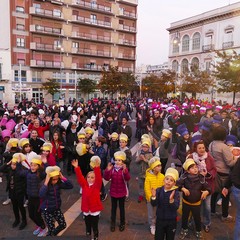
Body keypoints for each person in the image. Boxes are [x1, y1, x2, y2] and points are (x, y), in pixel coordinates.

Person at [177, 158, 211, 240]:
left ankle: (198, 231)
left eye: (196, 167)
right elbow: (177, 185)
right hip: (186, 202)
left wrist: (206, 191)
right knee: (185, 217)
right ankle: (184, 230)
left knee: (197, 218)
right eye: (192, 168)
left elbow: (208, 187)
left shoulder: (201, 178)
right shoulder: (184, 177)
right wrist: (182, 189)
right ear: (188, 170)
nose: (195, 169)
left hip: (196, 203)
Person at [188, 140, 217, 233]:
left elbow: (214, 170)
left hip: (207, 186)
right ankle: (193, 222)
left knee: (207, 207)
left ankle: (207, 223)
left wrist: (207, 174)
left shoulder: (209, 157)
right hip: (195, 187)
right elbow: (186, 170)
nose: (202, 149)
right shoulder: (191, 157)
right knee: (195, 206)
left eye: (203, 148)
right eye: (199, 148)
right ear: (195, 149)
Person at [209, 126, 236, 222]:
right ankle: (224, 215)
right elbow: (230, 163)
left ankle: (212, 211)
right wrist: (236, 158)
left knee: (214, 193)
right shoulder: (224, 147)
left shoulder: (211, 144)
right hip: (224, 174)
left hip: (214, 172)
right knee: (225, 195)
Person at [72, 156, 103, 240]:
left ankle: (95, 237)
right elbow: (80, 177)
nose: (90, 179)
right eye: (88, 177)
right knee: (87, 227)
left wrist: (96, 168)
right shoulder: (84, 185)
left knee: (95, 226)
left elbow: (99, 179)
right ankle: (88, 236)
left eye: (92, 177)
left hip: (94, 210)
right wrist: (77, 168)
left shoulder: (97, 186)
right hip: (86, 210)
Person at [17, 154, 48, 237]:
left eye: (35, 165)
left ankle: (44, 228)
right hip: (30, 197)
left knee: (37, 215)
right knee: (31, 215)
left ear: (38, 166)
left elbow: (47, 172)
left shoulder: (40, 174)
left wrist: (45, 163)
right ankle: (39, 226)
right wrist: (19, 163)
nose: (33, 167)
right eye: (31, 165)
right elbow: (20, 172)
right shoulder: (27, 172)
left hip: (38, 198)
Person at [39, 166, 73, 236]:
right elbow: (41, 194)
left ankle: (52, 234)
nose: (55, 181)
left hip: (56, 208)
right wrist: (46, 182)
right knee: (51, 228)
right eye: (53, 179)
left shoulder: (58, 184)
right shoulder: (45, 184)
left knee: (63, 225)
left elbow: (70, 186)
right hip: (47, 210)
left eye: (57, 179)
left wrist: (63, 178)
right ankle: (51, 234)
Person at [104, 151, 130, 232]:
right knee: (113, 209)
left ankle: (122, 223)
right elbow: (106, 178)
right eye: (116, 160)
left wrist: (125, 171)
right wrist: (107, 170)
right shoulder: (112, 169)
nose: (117, 162)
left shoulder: (124, 169)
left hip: (121, 192)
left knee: (122, 209)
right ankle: (113, 223)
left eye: (119, 160)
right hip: (113, 192)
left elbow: (127, 178)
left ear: (123, 162)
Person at [151, 167, 180, 240]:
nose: (168, 181)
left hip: (171, 221)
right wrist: (154, 196)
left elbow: (176, 207)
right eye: (167, 179)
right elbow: (154, 204)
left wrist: (171, 200)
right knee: (158, 237)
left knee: (170, 237)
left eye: (171, 180)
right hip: (160, 219)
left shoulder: (175, 193)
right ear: (164, 180)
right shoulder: (159, 190)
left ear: (174, 183)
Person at [0, 153, 27, 230]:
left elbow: (22, 173)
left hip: (20, 192)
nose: (13, 166)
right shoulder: (9, 169)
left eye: (15, 164)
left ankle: (24, 221)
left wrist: (18, 165)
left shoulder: (22, 170)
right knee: (14, 207)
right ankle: (17, 219)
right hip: (12, 192)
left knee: (21, 207)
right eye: (12, 164)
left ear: (18, 165)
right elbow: (1, 169)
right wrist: (7, 163)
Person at [144, 156, 164, 235]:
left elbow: (164, 187)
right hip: (151, 199)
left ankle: (158, 224)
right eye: (158, 166)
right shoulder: (148, 178)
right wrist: (151, 198)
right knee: (151, 213)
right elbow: (147, 189)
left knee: (159, 212)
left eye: (160, 165)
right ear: (153, 167)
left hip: (160, 199)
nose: (160, 167)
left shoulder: (162, 176)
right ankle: (152, 225)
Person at [135, 138, 153, 203]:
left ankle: (147, 196)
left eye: (146, 147)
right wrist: (139, 159)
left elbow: (151, 164)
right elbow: (136, 161)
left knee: (147, 185)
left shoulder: (150, 155)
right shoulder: (140, 153)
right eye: (143, 146)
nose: (144, 148)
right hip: (140, 173)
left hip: (147, 173)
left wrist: (145, 159)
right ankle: (141, 195)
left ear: (148, 147)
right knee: (140, 185)